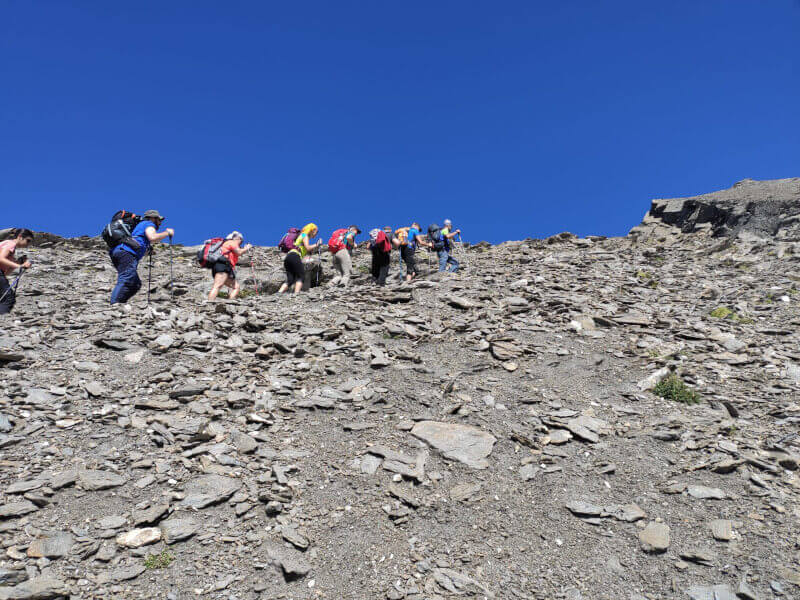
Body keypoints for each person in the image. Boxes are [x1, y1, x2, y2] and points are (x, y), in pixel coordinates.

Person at [110, 210, 174, 304]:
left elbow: (139, 242)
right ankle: (115, 305)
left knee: (135, 284)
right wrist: (167, 233)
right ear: (152, 218)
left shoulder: (140, 227)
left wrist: (147, 250)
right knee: (127, 278)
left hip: (120, 252)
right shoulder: (148, 223)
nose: (160, 223)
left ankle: (120, 304)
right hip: (126, 252)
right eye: (159, 219)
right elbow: (153, 237)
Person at [278, 223, 321, 294]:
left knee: (290, 279)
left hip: (288, 257)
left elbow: (304, 249)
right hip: (295, 256)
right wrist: (317, 244)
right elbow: (308, 247)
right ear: (312, 230)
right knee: (301, 276)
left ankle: (279, 293)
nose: (316, 234)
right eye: (316, 231)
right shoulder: (305, 235)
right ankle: (296, 294)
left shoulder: (300, 236)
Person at [208, 232, 252, 301]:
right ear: (236, 238)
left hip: (220, 266)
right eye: (241, 240)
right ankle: (209, 303)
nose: (241, 242)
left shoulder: (225, 244)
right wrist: (247, 248)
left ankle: (229, 302)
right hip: (224, 265)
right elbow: (239, 252)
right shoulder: (232, 242)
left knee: (235, 287)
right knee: (218, 285)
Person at [0, 229, 34, 315]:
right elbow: (1, 258)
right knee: (8, 297)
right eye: (28, 240)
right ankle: (3, 320)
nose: (28, 244)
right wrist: (20, 266)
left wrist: (18, 263)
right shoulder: (10, 244)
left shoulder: (7, 245)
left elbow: (5, 273)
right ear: (20, 237)